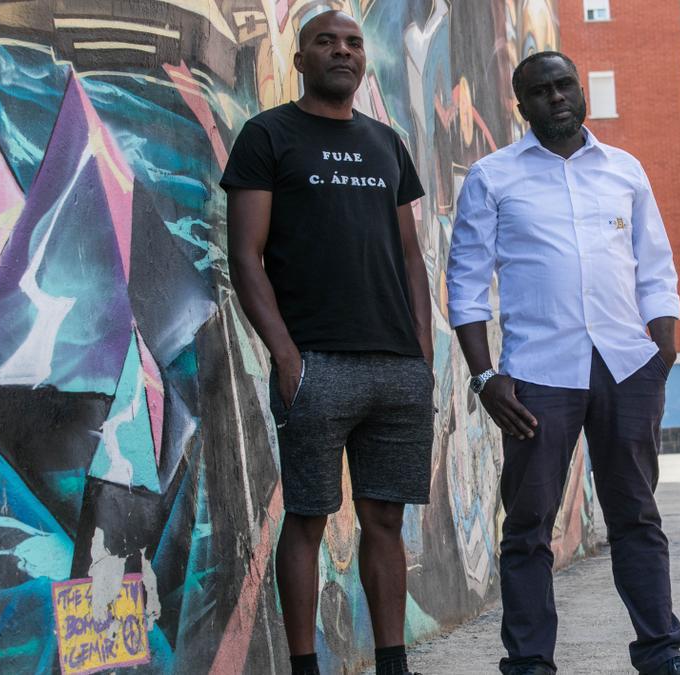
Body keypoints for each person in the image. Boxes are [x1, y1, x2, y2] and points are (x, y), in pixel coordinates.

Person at [446, 51, 680, 675]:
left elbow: (656, 265)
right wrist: (485, 376)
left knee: (637, 515)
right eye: (541, 91)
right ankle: (530, 665)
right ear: (521, 105)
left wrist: (661, 349)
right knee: (529, 525)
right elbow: (466, 284)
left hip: (626, 367)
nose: (556, 97)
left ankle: (661, 655)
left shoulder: (625, 171)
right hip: (536, 375)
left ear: (580, 91)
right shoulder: (492, 176)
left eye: (564, 85)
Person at [221, 11, 431, 675]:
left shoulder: (386, 142)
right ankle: (306, 666)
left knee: (385, 520)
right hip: (316, 363)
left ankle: (393, 661)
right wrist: (287, 357)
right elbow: (245, 255)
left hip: (396, 367)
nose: (342, 50)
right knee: (308, 519)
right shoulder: (268, 135)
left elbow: (409, 253)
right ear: (301, 57)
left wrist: (422, 353)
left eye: (352, 43)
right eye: (326, 42)